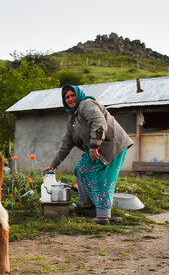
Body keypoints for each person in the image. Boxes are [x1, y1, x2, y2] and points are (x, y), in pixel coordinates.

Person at [43, 85, 134, 225]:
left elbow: (99, 122)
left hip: (112, 145)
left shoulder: (86, 104)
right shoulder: (73, 118)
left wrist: (94, 145)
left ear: (78, 95)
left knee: (102, 179)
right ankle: (88, 205)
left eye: (72, 95)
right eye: (67, 97)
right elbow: (66, 144)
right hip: (97, 148)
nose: (70, 99)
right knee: (81, 169)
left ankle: (103, 216)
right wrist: (53, 165)